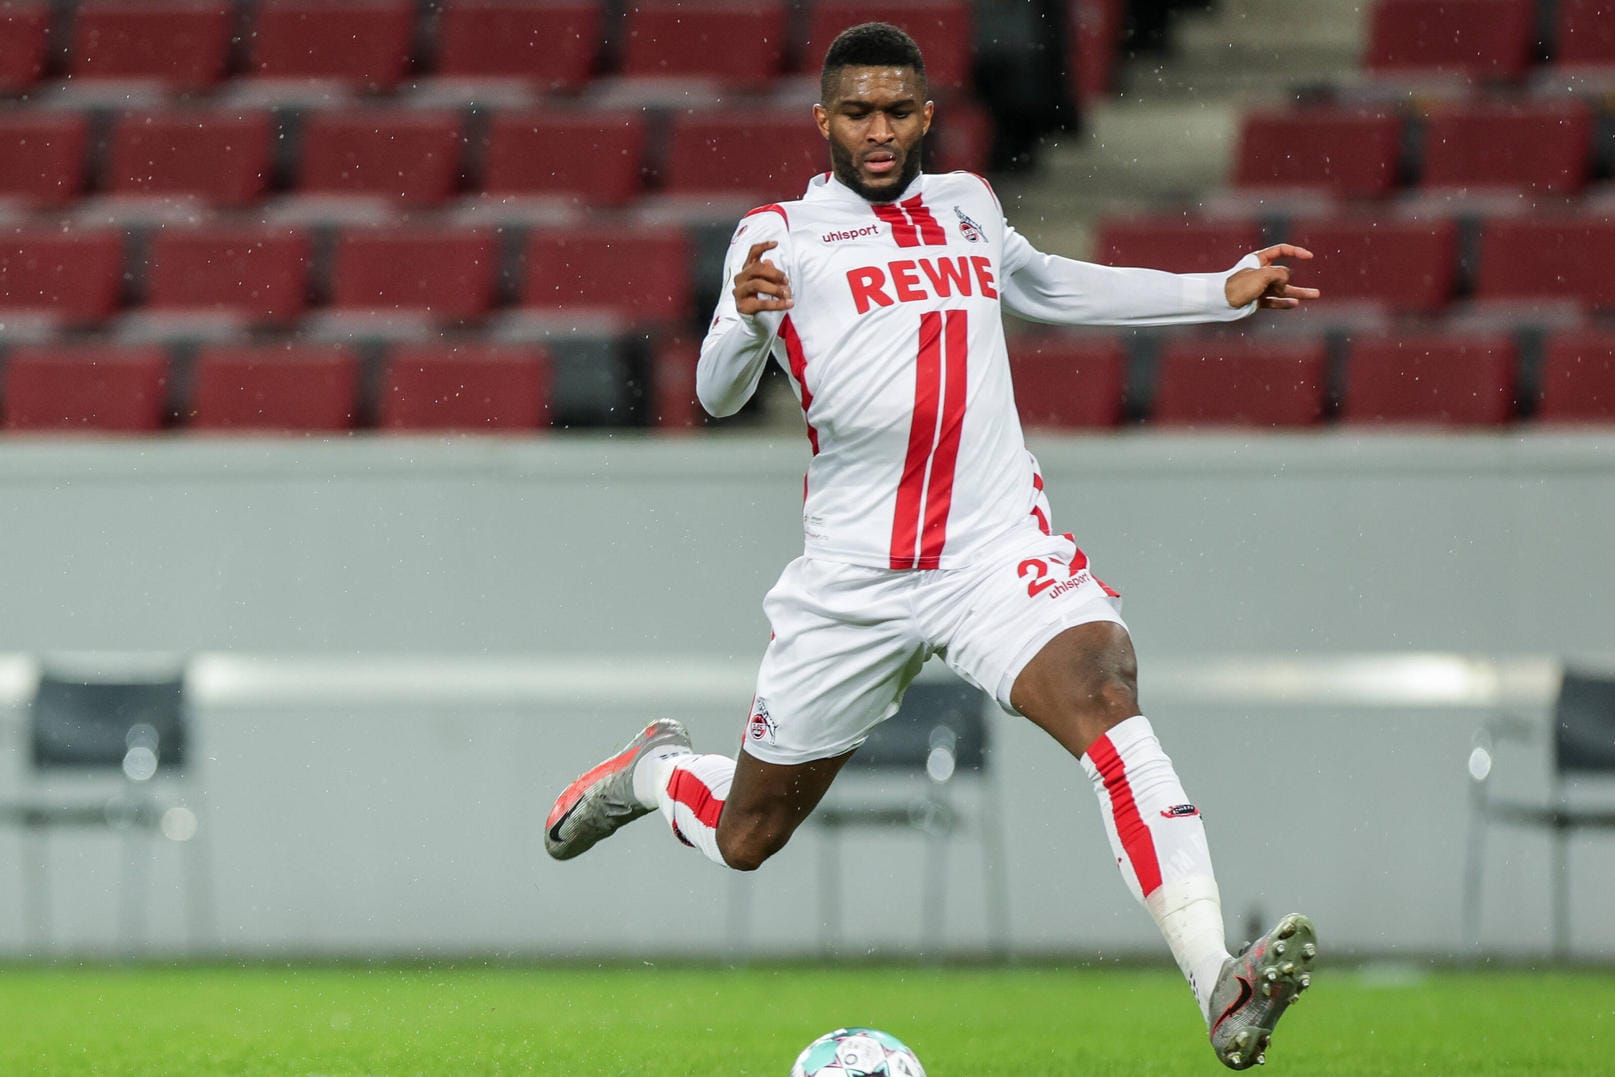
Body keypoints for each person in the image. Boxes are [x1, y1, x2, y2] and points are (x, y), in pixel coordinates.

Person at [545, 21, 1320, 1072]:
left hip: (993, 553)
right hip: (853, 583)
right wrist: (737, 319)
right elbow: (714, 395)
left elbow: (1043, 284)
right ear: (824, 120)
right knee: (748, 837)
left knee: (1102, 687)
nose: (878, 130)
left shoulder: (967, 207)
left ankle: (1214, 978)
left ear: (925, 114)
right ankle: (652, 774)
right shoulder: (779, 235)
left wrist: (1212, 294)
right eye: (856, 112)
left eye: (898, 110)